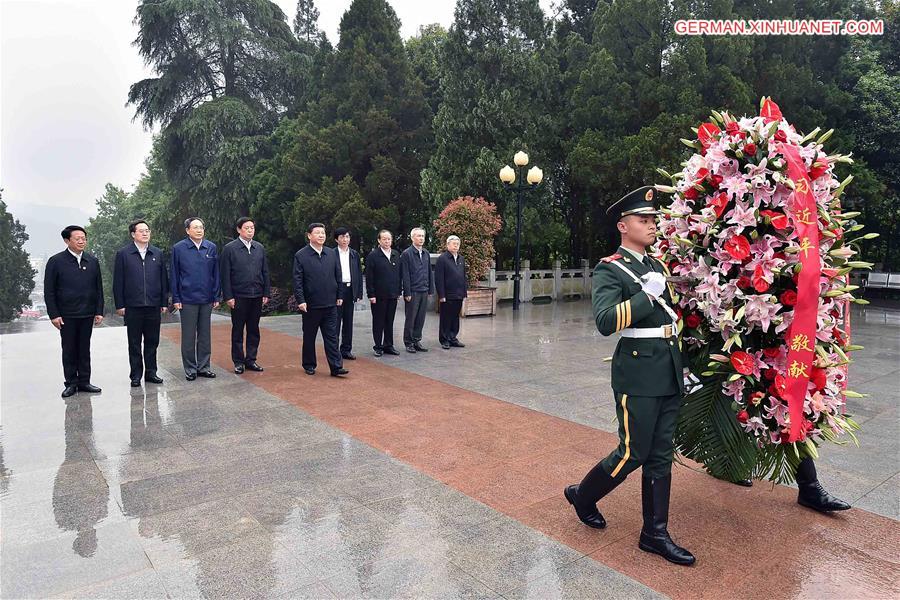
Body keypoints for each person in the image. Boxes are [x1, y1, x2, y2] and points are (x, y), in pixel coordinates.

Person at [563, 186, 695, 566]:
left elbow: (671, 320)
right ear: (624, 226)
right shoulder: (610, 268)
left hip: (667, 368)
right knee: (632, 452)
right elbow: (605, 322)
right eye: (644, 220)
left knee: (660, 454)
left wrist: (684, 365)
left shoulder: (657, 267)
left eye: (653, 220)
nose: (652, 225)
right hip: (637, 372)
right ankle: (584, 495)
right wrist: (645, 297)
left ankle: (654, 533)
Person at [44, 225, 104, 398]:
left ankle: (84, 381)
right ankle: (71, 382)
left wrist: (98, 310)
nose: (81, 241)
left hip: (87, 313)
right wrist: (54, 314)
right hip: (67, 315)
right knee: (69, 349)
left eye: (83, 238)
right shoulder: (56, 261)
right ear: (66, 240)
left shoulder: (92, 260)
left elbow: (98, 288)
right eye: (77, 238)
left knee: (85, 348)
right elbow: (50, 291)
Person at [113, 220, 168, 387]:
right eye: (141, 231)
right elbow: (118, 281)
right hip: (133, 306)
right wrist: (120, 304)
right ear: (133, 234)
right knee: (134, 343)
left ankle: (151, 372)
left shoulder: (157, 253)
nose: (145, 233)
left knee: (152, 341)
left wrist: (164, 302)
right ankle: (135, 375)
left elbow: (163, 280)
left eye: (147, 231)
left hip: (153, 305)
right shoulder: (123, 254)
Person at [292, 223, 348, 377]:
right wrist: (301, 300)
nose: (321, 235)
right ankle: (309, 364)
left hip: (330, 303)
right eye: (317, 233)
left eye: (323, 233)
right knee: (309, 336)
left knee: (331, 336)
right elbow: (297, 281)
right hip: (311, 305)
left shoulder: (331, 253)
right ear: (309, 235)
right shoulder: (301, 255)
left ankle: (336, 366)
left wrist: (340, 296)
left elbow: (339, 276)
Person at [171, 217, 220, 381]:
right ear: (187, 230)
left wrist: (216, 295)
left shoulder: (211, 247)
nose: (199, 230)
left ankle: (204, 367)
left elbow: (216, 273)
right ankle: (190, 368)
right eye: (195, 227)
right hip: (187, 298)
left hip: (207, 298)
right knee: (189, 335)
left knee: (205, 335)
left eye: (201, 227)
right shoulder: (179, 248)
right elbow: (175, 274)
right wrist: (176, 297)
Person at [220, 217, 271, 374]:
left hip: (256, 295)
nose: (250, 230)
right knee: (238, 329)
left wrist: (266, 292)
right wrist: (228, 296)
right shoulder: (230, 248)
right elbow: (225, 274)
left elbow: (265, 272)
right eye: (247, 228)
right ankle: (238, 361)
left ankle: (251, 359)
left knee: (254, 329)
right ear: (239, 229)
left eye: (252, 228)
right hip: (239, 296)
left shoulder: (259, 248)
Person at [365, 229, 402, 357]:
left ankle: (388, 345)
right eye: (384, 239)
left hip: (392, 294)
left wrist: (398, 292)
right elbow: (369, 277)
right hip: (378, 296)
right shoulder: (373, 256)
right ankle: (378, 346)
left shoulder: (396, 254)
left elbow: (399, 275)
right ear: (379, 240)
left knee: (389, 321)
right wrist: (371, 295)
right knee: (378, 321)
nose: (387, 241)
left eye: (389, 239)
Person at [400, 227, 434, 353]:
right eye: (418, 236)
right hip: (413, 291)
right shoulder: (407, 254)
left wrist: (431, 289)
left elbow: (429, 272)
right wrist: (407, 292)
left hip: (424, 289)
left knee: (420, 317)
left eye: (422, 236)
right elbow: (405, 274)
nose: (421, 238)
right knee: (411, 317)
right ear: (412, 238)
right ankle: (408, 342)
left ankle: (416, 340)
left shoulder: (425, 253)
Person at [333, 227, 363, 360]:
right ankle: (334, 350)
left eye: (347, 237)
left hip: (350, 290)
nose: (345, 240)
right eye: (342, 237)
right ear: (336, 239)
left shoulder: (354, 254)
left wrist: (359, 292)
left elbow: (358, 273)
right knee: (335, 322)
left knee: (348, 321)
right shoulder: (331, 254)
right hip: (337, 291)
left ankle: (346, 349)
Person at [434, 235, 467, 350]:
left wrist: (464, 293)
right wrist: (441, 295)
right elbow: (439, 278)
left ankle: (453, 337)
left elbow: (463, 277)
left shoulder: (461, 259)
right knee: (445, 318)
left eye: (458, 244)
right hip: (447, 295)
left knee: (455, 317)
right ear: (447, 245)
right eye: (454, 244)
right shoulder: (442, 259)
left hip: (458, 294)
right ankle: (444, 339)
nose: (456, 246)